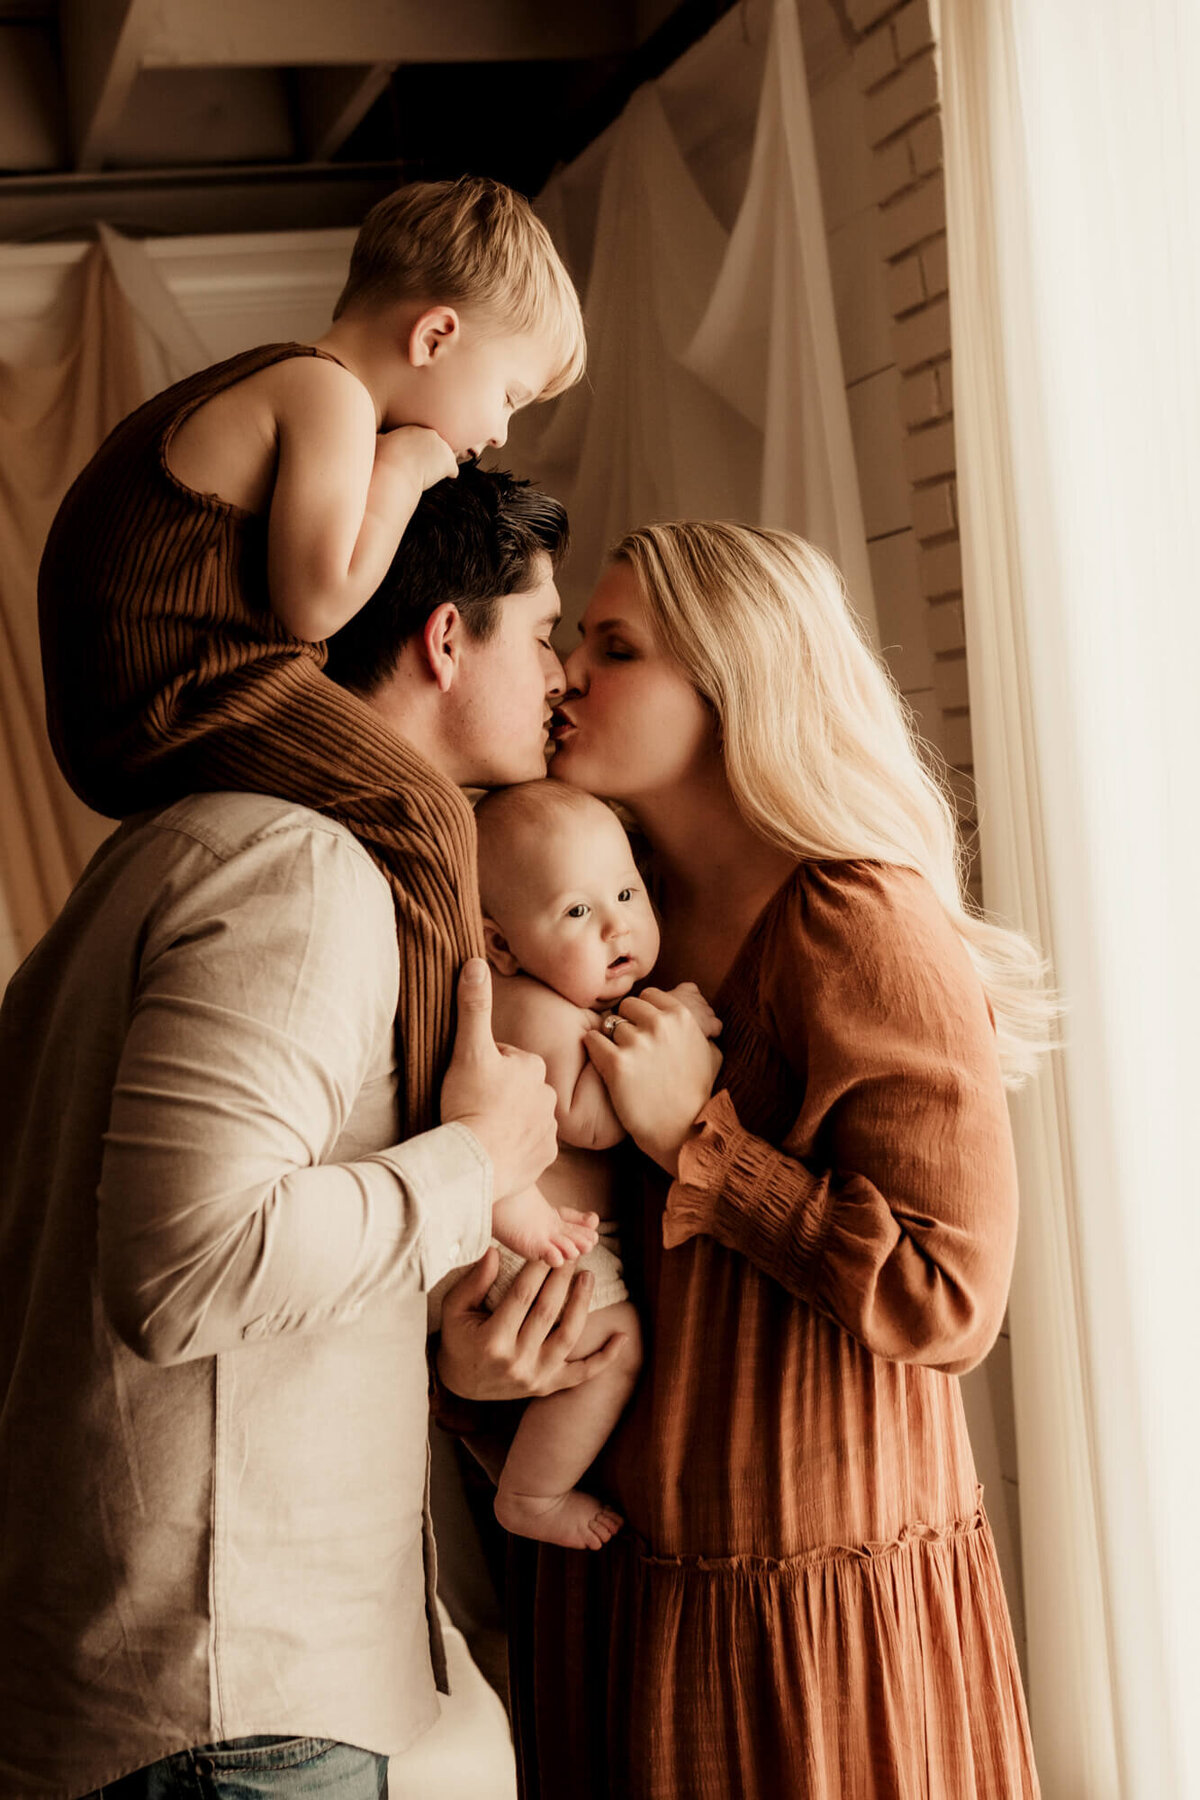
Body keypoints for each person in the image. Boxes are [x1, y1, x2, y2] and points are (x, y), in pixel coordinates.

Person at [0, 470, 624, 1798]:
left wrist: (452, 1341)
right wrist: (479, 1164)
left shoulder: (168, 848)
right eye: (546, 631)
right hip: (232, 1713)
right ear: (447, 638)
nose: (564, 673)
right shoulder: (299, 868)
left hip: (194, 1688)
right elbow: (180, 1269)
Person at [443, 521, 1054, 1799]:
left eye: (615, 649)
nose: (566, 678)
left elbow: (953, 1297)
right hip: (611, 1576)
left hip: (801, 1602)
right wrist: (476, 1371)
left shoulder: (857, 920)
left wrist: (698, 1145)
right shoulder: (598, 915)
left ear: (734, 685)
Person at [37, 176, 586, 1140]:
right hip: (184, 686)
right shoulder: (322, 389)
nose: (498, 432)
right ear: (435, 336)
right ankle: (460, 1119)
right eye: (505, 395)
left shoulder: (276, 383)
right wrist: (411, 464)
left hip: (145, 694)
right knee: (423, 810)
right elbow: (316, 601)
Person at [467, 782, 674, 1551]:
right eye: (578, 911)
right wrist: (673, 1043)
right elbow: (587, 1123)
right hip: (528, 1241)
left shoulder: (566, 1000)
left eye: (626, 892)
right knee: (615, 1349)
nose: (618, 923)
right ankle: (531, 1492)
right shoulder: (534, 1008)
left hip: (551, 1237)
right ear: (504, 946)